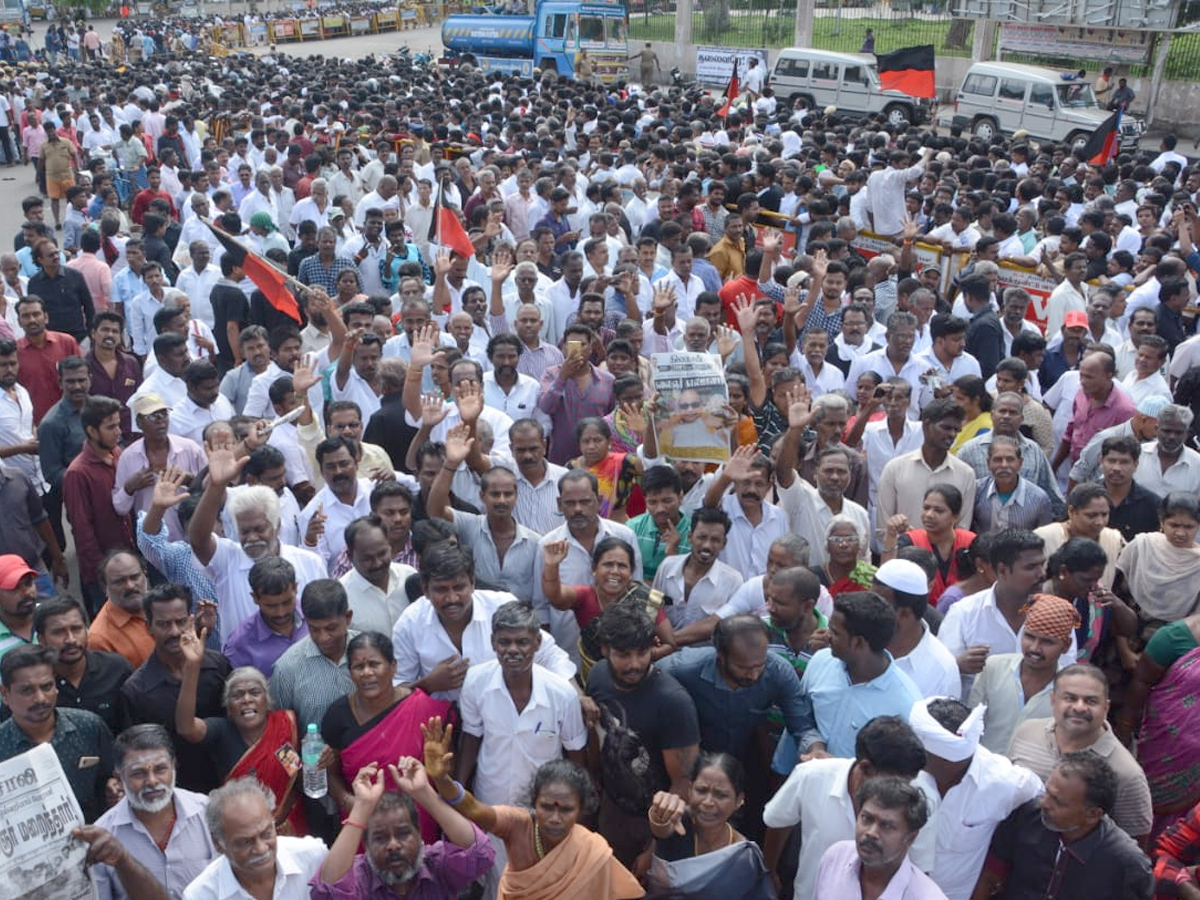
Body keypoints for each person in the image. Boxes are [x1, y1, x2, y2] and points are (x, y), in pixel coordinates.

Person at [422, 718, 645, 900]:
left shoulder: (592, 850)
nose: (555, 818)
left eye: (566, 810)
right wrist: (442, 779)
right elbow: (473, 808)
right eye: (546, 807)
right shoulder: (519, 825)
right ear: (534, 802)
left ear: (581, 810)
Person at [457, 601, 588, 896]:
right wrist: (459, 790)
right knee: (496, 883)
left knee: (543, 884)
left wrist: (579, 810)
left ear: (537, 643)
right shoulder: (476, 682)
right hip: (491, 802)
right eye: (504, 641)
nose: (512, 649)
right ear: (492, 643)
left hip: (543, 812)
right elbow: (471, 737)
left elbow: (576, 755)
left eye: (522, 642)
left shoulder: (562, 694)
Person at [763, 714, 936, 900]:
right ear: (866, 768)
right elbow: (778, 823)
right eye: (896, 780)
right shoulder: (811, 776)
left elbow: (920, 869)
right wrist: (769, 873)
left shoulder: (917, 801)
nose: (902, 788)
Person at [586, 599, 701, 870]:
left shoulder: (673, 702)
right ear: (604, 650)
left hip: (655, 822)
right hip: (612, 809)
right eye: (623, 654)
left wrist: (655, 844)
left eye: (642, 652)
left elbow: (683, 784)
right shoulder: (598, 676)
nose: (634, 664)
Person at [392, 542, 576, 701]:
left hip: (502, 715)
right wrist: (428, 685)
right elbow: (396, 691)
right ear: (425, 589)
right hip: (437, 721)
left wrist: (576, 695)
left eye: (459, 587)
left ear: (472, 583)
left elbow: (550, 655)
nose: (452, 598)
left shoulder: (501, 606)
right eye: (441, 590)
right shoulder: (410, 623)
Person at [175, 625, 308, 836]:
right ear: (228, 706)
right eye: (237, 695)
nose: (247, 700)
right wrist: (192, 668)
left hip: (290, 827)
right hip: (244, 832)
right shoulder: (222, 731)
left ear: (267, 700)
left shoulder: (285, 725)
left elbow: (297, 778)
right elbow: (185, 727)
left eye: (254, 692)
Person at [907, 697, 1045, 900]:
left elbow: (1041, 801)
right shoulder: (902, 770)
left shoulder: (1003, 782)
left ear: (949, 761)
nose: (913, 757)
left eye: (921, 754)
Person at [320, 631, 452, 836]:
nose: (366, 673)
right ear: (350, 672)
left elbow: (448, 769)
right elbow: (329, 773)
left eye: (374, 664)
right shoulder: (337, 716)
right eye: (358, 667)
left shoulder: (425, 710)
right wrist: (347, 801)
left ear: (393, 667)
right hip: (364, 823)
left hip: (418, 822)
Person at [974, 753, 1153, 900]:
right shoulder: (1026, 816)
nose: (1044, 803)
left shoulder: (1127, 863)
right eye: (1047, 792)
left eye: (1058, 802)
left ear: (1093, 815)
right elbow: (990, 875)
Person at [1008, 664, 1152, 846]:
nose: (1079, 707)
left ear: (1106, 707)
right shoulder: (1026, 732)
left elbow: (1134, 845)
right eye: (1069, 698)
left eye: (1091, 701)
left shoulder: (1126, 773)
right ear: (1053, 700)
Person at [311, 758, 496, 900]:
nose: (393, 845)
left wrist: (426, 794)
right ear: (365, 847)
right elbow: (325, 893)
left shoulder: (436, 865)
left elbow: (481, 853)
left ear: (419, 835)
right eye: (380, 838)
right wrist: (361, 808)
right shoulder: (360, 878)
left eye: (402, 833)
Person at [121, 585, 229, 794]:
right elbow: (138, 754)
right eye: (163, 624)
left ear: (191, 620)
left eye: (180, 622)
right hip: (177, 794)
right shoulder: (136, 691)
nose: (174, 632)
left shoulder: (218, 666)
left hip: (228, 782)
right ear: (148, 626)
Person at [93, 724, 218, 900]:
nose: (152, 781)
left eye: (160, 769)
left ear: (174, 766)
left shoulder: (208, 813)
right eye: (139, 773)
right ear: (119, 778)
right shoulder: (103, 837)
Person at [0, 644, 113, 822]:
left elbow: (113, 778)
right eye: (27, 690)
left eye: (46, 687)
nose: (40, 698)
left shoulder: (89, 726)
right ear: (5, 694)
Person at [644, 753, 776, 899]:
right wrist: (659, 813)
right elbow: (662, 828)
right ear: (689, 790)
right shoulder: (678, 822)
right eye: (701, 790)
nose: (708, 802)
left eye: (720, 795)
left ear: (739, 800)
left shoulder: (743, 857)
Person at [183, 776, 329, 900]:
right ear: (218, 844)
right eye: (245, 842)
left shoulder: (312, 857)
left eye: (266, 834)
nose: (261, 848)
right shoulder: (201, 895)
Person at [543, 535, 674, 671]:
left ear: (631, 572)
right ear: (594, 569)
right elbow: (556, 597)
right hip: (593, 679)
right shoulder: (585, 596)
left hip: (635, 677)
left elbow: (670, 645)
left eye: (622, 566)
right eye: (608, 564)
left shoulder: (646, 599)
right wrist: (552, 565)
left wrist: (642, 654)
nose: (615, 571)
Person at [968, 593, 1077, 754]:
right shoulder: (993, 668)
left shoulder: (1070, 691)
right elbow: (971, 727)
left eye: (1047, 641)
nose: (1034, 648)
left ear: (1066, 646)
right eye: (1029, 637)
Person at [811, 775, 947, 900]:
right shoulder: (835, 858)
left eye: (887, 826)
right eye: (866, 819)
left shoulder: (929, 897)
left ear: (910, 838)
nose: (871, 832)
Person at [32, 598, 132, 736]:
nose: (71, 639)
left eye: (76, 629)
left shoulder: (116, 669)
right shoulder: (34, 684)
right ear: (41, 639)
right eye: (59, 632)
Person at [877, 398, 976, 532]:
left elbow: (962, 529)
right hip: (902, 550)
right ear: (927, 425)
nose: (952, 435)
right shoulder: (895, 468)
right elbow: (884, 526)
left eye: (956, 430)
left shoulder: (965, 474)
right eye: (946, 428)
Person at [1114, 493, 1200, 642]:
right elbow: (1116, 596)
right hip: (1125, 639)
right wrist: (1124, 649)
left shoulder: (1197, 561)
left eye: (1188, 527)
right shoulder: (1141, 546)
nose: (1180, 533)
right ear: (1162, 522)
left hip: (1176, 645)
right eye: (1174, 525)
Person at [873, 558, 961, 700]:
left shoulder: (942, 668)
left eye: (878, 606)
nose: (870, 610)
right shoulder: (858, 643)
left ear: (905, 614)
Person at [882, 484, 975, 606]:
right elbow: (886, 579)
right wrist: (891, 536)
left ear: (955, 516)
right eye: (926, 508)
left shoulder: (970, 542)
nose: (929, 515)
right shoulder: (910, 541)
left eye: (938, 510)